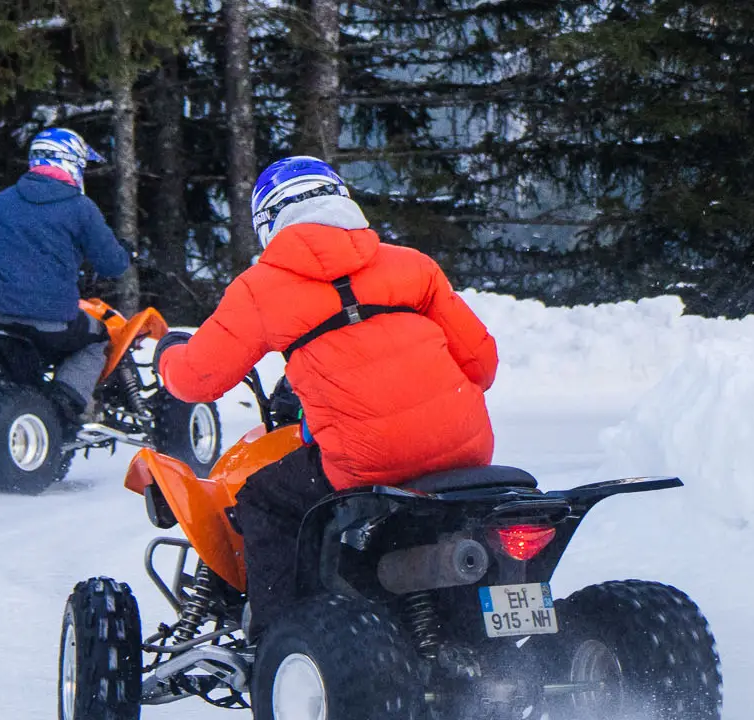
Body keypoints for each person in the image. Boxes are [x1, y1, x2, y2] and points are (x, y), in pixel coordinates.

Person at [154, 155, 499, 638]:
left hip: (367, 462)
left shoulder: (262, 288)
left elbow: (196, 380)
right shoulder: (413, 265)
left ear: (267, 222)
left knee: (262, 500)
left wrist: (169, 352)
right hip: (469, 454)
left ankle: (279, 645)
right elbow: (483, 367)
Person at [0, 127, 130, 420]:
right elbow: (112, 265)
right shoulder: (81, 208)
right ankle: (65, 402)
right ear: (70, 162)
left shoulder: (1, 201)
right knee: (99, 337)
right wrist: (127, 253)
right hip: (52, 321)